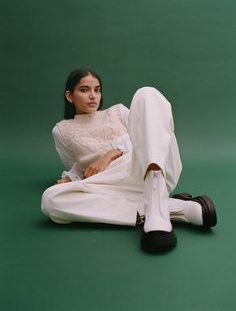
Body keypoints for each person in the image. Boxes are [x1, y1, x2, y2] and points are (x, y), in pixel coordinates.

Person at [41, 69, 217, 253]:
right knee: (50, 199)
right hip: (113, 185)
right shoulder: (61, 131)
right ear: (69, 96)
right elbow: (77, 165)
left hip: (146, 166)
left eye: (97, 90)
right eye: (84, 90)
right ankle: (167, 208)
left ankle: (156, 193)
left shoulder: (118, 111)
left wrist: (109, 155)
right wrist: (70, 178)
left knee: (147, 94)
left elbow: (146, 138)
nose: (93, 96)